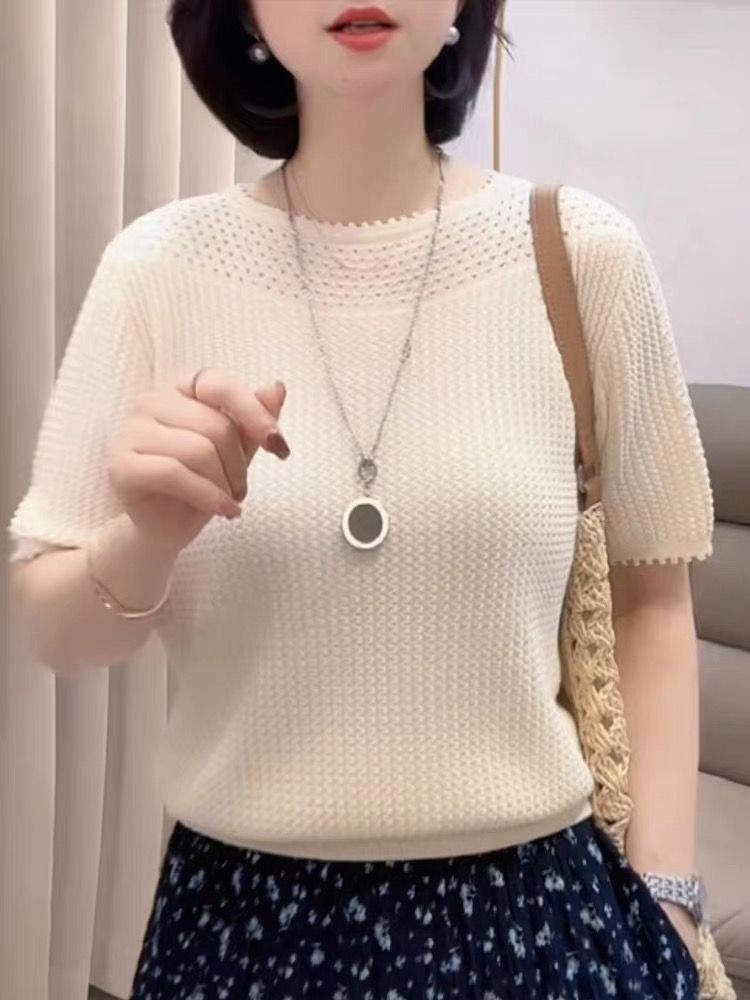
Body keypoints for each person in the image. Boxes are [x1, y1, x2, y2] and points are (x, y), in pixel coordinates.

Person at [8, 1, 715, 997]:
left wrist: (668, 899)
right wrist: (146, 539)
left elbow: (652, 596)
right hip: (241, 926)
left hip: (536, 918)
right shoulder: (156, 269)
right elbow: (52, 632)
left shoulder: (582, 254)